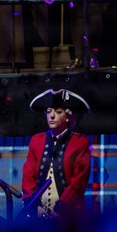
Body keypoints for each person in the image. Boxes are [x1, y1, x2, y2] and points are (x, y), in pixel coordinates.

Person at [21, 88, 92, 217]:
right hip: (39, 213)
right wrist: (33, 204)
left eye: (58, 112)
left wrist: (62, 208)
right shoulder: (37, 141)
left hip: (70, 214)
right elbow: (28, 174)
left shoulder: (80, 142)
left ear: (67, 117)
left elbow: (79, 180)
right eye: (49, 112)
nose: (52, 115)